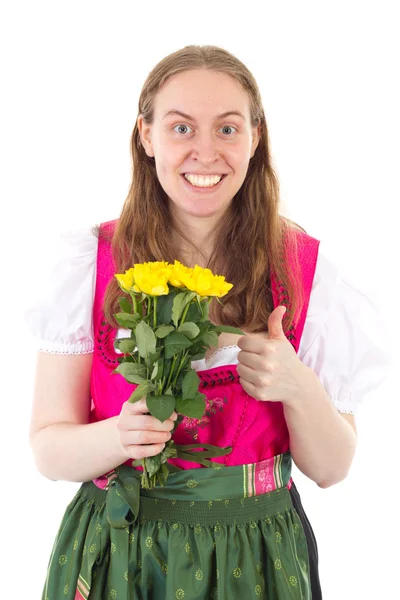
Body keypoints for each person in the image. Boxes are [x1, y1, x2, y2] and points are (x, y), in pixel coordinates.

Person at [26, 45, 390, 600]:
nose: (205, 152)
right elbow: (49, 450)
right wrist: (118, 436)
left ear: (254, 137)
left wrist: (297, 386)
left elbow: (332, 467)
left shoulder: (308, 270)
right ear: (146, 136)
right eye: (180, 128)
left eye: (226, 128)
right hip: (121, 552)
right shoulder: (88, 263)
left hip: (257, 556)